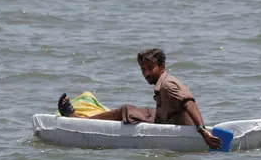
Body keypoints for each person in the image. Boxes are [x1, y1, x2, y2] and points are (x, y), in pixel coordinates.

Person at [57, 48, 220, 149]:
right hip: (163, 116)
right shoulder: (163, 82)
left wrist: (202, 131)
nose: (146, 73)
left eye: (150, 68)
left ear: (161, 67)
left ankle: (77, 119)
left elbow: (188, 102)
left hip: (173, 125)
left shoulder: (168, 85)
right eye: (143, 69)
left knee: (126, 110)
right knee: (143, 110)